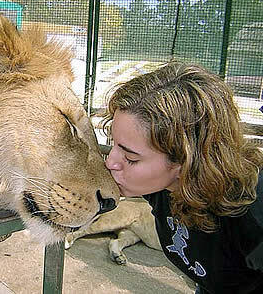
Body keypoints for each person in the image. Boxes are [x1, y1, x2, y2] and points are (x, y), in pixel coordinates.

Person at [101, 61, 263, 293]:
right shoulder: (162, 186)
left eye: (131, 158)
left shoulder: (252, 216)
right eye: (114, 145)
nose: (110, 162)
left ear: (185, 160)